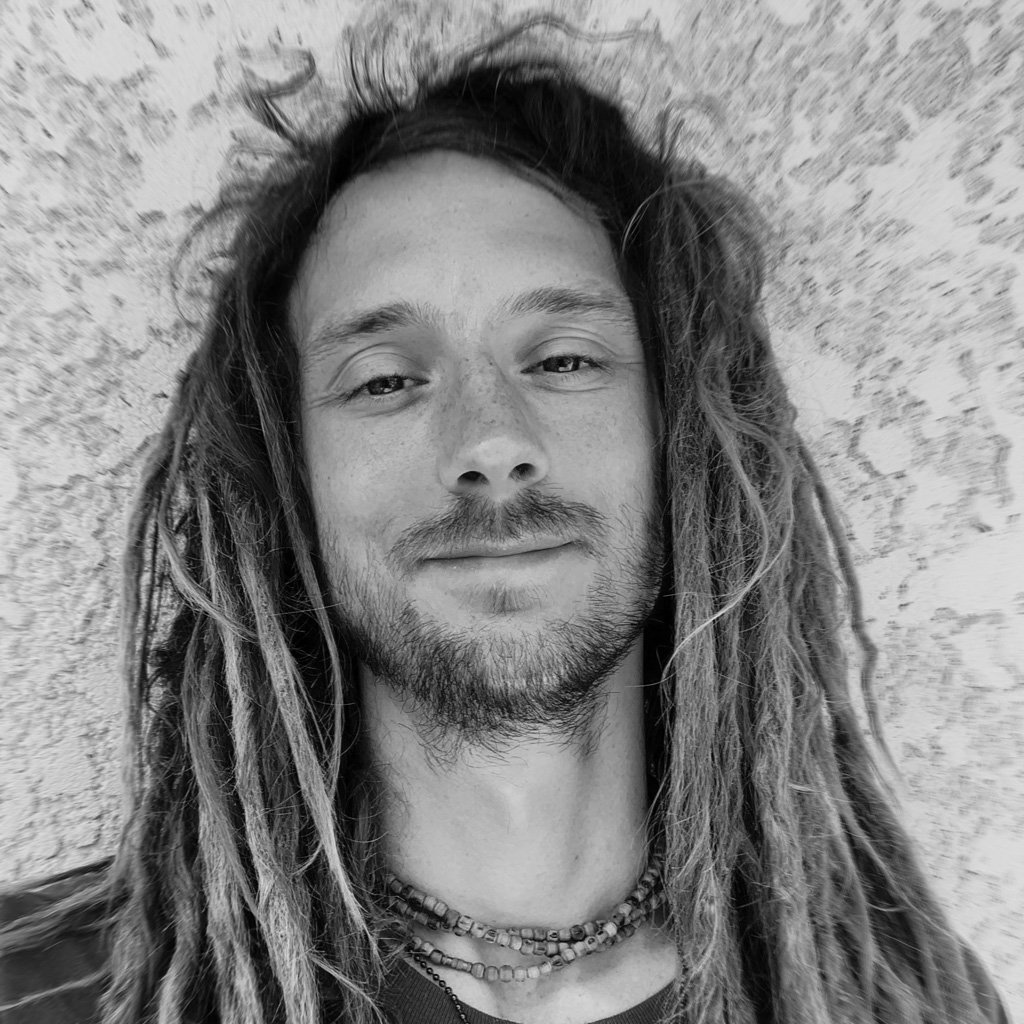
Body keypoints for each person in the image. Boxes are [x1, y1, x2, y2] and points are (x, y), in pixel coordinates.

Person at [0, 20, 1011, 1024]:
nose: (490, 440)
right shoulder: (53, 997)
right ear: (286, 477)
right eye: (386, 379)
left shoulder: (892, 999)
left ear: (682, 437)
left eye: (563, 359)